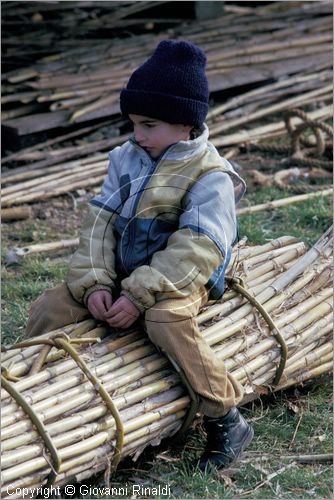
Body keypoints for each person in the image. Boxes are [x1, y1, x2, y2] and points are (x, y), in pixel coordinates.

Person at [26, 39, 253, 471]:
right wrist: (94, 282)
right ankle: (28, 379)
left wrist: (138, 296)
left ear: (186, 124)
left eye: (149, 125)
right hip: (123, 272)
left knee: (164, 319)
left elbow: (196, 250)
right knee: (55, 304)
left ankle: (225, 417)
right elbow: (99, 224)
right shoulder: (126, 159)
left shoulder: (211, 176)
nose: (137, 135)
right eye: (133, 123)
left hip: (177, 281)